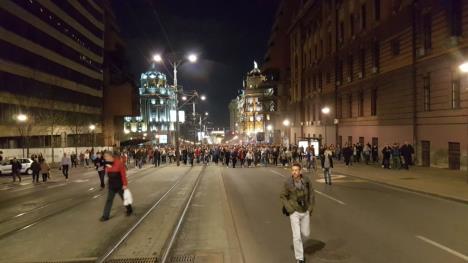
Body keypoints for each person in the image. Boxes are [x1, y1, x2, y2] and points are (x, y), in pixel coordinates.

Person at [280, 163, 315, 263]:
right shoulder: (288, 182)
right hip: (294, 211)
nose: (294, 172)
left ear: (300, 171)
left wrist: (310, 208)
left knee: (306, 234)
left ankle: (299, 244)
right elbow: (282, 195)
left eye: (296, 170)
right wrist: (290, 209)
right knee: (296, 236)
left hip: (305, 210)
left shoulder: (306, 181)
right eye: (293, 170)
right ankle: (299, 258)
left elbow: (312, 194)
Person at [100, 151, 133, 221]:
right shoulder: (107, 163)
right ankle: (105, 216)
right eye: (104, 157)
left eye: (106, 157)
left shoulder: (119, 163)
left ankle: (129, 209)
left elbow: (123, 175)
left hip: (120, 185)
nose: (105, 158)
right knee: (109, 200)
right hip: (111, 185)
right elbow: (107, 174)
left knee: (124, 198)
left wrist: (125, 184)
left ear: (110, 156)